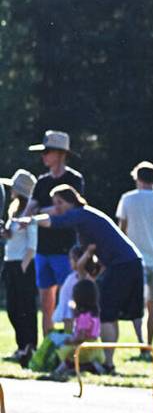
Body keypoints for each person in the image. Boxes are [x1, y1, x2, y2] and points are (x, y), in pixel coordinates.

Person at [15, 185, 143, 372]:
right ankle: (108, 362)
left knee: (107, 313)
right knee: (110, 313)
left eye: (60, 202)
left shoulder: (80, 214)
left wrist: (30, 220)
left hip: (123, 265)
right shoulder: (84, 217)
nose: (56, 206)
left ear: (71, 201)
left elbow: (54, 220)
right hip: (128, 262)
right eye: (54, 202)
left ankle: (108, 363)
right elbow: (54, 213)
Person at [25, 130, 85, 335]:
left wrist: (40, 213)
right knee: (45, 300)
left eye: (47, 151)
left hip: (66, 249)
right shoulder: (41, 182)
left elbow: (69, 208)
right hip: (44, 249)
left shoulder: (74, 179)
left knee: (68, 298)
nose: (43, 156)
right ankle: (49, 342)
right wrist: (23, 219)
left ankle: (70, 343)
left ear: (60, 154)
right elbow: (30, 208)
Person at [116, 161, 153, 348]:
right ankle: (149, 343)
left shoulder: (128, 199)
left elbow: (121, 231)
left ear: (137, 178)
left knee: (137, 304)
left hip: (133, 260)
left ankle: (141, 342)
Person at [1, 169, 39, 364]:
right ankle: (20, 346)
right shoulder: (14, 211)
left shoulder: (29, 213)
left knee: (25, 308)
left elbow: (32, 245)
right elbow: (13, 237)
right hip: (10, 262)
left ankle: (29, 346)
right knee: (13, 308)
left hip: (23, 265)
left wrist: (23, 266)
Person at [52, 278, 104, 378]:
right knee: (75, 360)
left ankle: (58, 371)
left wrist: (70, 341)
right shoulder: (94, 315)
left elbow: (82, 336)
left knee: (68, 357)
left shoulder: (84, 317)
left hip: (84, 347)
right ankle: (91, 366)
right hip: (94, 346)